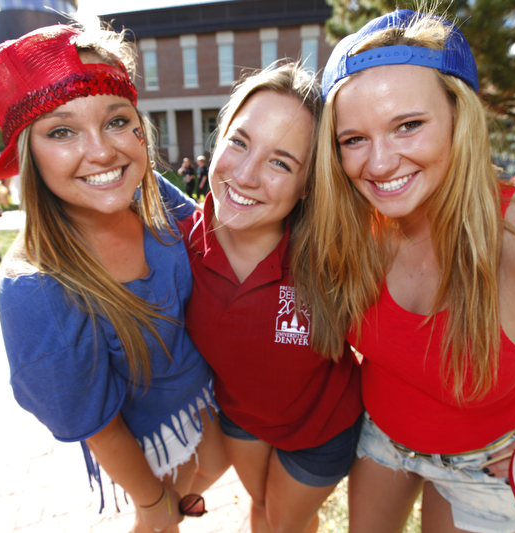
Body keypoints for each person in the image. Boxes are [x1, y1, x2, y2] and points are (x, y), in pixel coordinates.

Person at [296, 9, 515, 533]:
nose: (380, 163)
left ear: (462, 116)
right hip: (379, 439)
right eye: (354, 140)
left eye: (408, 125)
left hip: (487, 465)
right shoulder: (359, 220)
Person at [0, 24, 228, 532]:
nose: (103, 153)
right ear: (29, 154)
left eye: (116, 121)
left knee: (214, 468)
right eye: (62, 131)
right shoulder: (36, 290)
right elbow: (100, 428)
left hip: (211, 400)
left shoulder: (150, 190)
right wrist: (155, 504)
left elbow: (212, 235)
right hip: (147, 444)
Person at [180, 63, 363, 533]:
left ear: (308, 186)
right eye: (238, 142)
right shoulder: (175, 248)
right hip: (241, 421)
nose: (244, 175)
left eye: (280, 162)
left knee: (284, 523)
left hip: (321, 431)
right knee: (260, 506)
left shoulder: (335, 255)